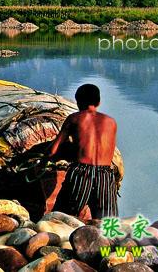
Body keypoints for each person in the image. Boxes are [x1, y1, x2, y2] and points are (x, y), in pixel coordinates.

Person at [48, 83, 119, 218]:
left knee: (61, 217)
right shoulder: (111, 122)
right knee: (108, 221)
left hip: (81, 173)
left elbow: (52, 150)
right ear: (99, 102)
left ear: (78, 102)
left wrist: (45, 158)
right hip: (105, 175)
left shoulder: (74, 118)